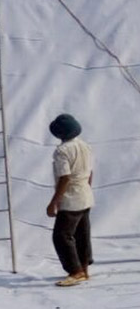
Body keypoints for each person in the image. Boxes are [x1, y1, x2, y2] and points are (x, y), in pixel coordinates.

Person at [45, 114, 94, 287]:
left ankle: (75, 271)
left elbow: (65, 178)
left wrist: (54, 202)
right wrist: (86, 189)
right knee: (82, 234)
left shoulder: (62, 151)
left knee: (61, 236)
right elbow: (90, 172)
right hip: (85, 195)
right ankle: (84, 268)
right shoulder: (85, 146)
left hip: (71, 198)